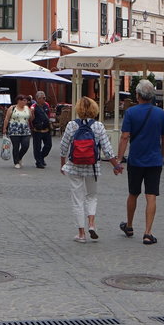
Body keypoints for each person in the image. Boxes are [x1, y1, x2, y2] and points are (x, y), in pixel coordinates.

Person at [115, 79, 164, 246]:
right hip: (154, 160)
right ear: (152, 96)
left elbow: (125, 137)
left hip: (136, 159)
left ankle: (130, 226)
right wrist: (161, 155)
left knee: (133, 193)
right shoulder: (160, 114)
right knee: (151, 195)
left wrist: (119, 158)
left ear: (137, 95)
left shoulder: (131, 113)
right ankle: (148, 233)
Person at [58, 97, 120, 243]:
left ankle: (81, 233)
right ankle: (91, 223)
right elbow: (107, 149)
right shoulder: (98, 126)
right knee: (91, 196)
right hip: (92, 166)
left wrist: (63, 164)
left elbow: (63, 147)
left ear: (78, 109)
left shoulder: (72, 125)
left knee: (77, 199)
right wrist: (115, 166)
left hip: (74, 166)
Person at [3, 94, 33, 170]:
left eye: (26, 100)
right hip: (14, 130)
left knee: (25, 145)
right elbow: (7, 118)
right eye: (24, 100)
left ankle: (19, 157)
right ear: (19, 101)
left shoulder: (27, 108)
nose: (25, 102)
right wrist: (4, 128)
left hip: (25, 130)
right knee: (16, 146)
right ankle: (16, 162)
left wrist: (32, 113)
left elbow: (31, 119)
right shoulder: (12, 108)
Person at [31, 91, 53, 169]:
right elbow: (31, 119)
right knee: (37, 147)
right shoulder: (33, 107)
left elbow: (48, 115)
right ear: (37, 98)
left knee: (48, 145)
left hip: (46, 129)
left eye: (44, 97)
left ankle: (41, 157)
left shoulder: (46, 105)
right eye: (42, 98)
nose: (44, 99)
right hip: (37, 130)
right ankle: (38, 161)